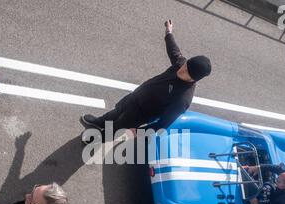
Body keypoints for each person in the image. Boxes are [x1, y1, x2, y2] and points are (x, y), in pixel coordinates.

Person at [80, 19, 212, 141]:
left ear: (193, 79)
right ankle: (98, 122)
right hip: (136, 96)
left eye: (186, 72)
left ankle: (97, 138)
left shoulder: (183, 99)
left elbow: (162, 125)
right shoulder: (181, 64)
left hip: (140, 114)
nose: (181, 69)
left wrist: (138, 132)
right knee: (116, 111)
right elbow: (174, 50)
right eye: (185, 65)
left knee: (117, 127)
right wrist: (168, 31)